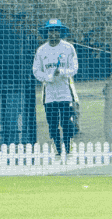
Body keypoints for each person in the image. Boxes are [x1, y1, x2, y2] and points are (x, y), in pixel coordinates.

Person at [33, 19, 79, 158]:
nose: (53, 33)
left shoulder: (68, 48)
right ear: (47, 32)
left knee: (66, 122)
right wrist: (48, 77)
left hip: (65, 92)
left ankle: (68, 146)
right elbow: (36, 71)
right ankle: (57, 148)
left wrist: (63, 72)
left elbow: (74, 68)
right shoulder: (41, 50)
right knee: (52, 123)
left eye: (56, 30)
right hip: (50, 94)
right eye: (51, 30)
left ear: (60, 32)